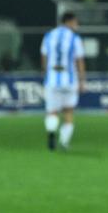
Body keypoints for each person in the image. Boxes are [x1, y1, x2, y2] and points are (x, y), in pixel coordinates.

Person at [40, 12, 85, 151]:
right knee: (68, 112)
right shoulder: (74, 38)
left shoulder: (49, 36)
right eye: (76, 23)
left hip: (53, 78)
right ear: (69, 22)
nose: (77, 26)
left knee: (52, 111)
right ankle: (64, 142)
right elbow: (80, 61)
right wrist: (82, 81)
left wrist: (46, 73)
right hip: (69, 79)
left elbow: (44, 57)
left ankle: (51, 133)